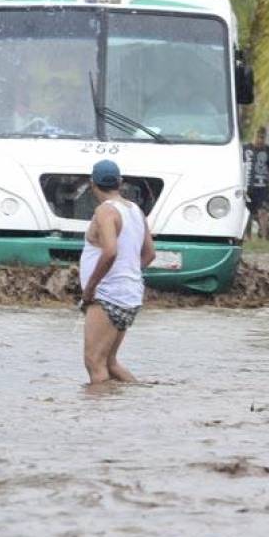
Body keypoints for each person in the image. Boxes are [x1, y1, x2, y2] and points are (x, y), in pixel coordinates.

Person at [80, 159, 156, 385]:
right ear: (120, 182)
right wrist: (128, 273)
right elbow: (149, 254)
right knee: (110, 362)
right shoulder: (135, 210)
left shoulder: (105, 212)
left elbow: (110, 251)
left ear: (92, 184)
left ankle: (98, 416)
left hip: (107, 295)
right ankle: (138, 398)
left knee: (94, 362)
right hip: (130, 294)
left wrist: (90, 288)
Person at [243, 127, 269, 239]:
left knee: (263, 212)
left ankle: (265, 237)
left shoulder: (268, 151)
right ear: (253, 136)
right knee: (247, 213)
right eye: (258, 136)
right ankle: (248, 237)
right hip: (247, 186)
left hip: (262, 187)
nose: (260, 140)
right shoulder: (245, 149)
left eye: (262, 137)